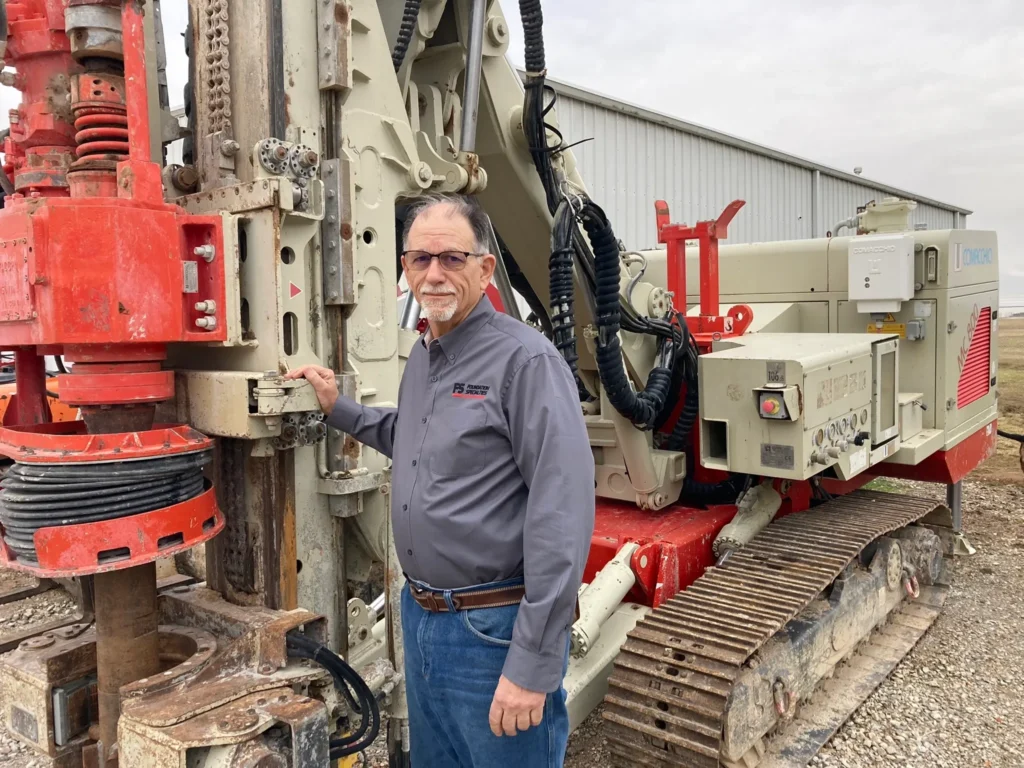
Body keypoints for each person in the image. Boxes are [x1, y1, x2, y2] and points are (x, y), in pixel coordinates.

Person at [285, 192, 595, 766]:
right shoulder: (427, 354)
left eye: (452, 259)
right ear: (403, 268)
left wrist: (532, 662)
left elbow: (563, 511)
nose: (434, 274)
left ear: (485, 267)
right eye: (419, 259)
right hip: (424, 620)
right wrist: (339, 409)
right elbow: (416, 436)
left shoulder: (525, 361)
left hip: (492, 633)